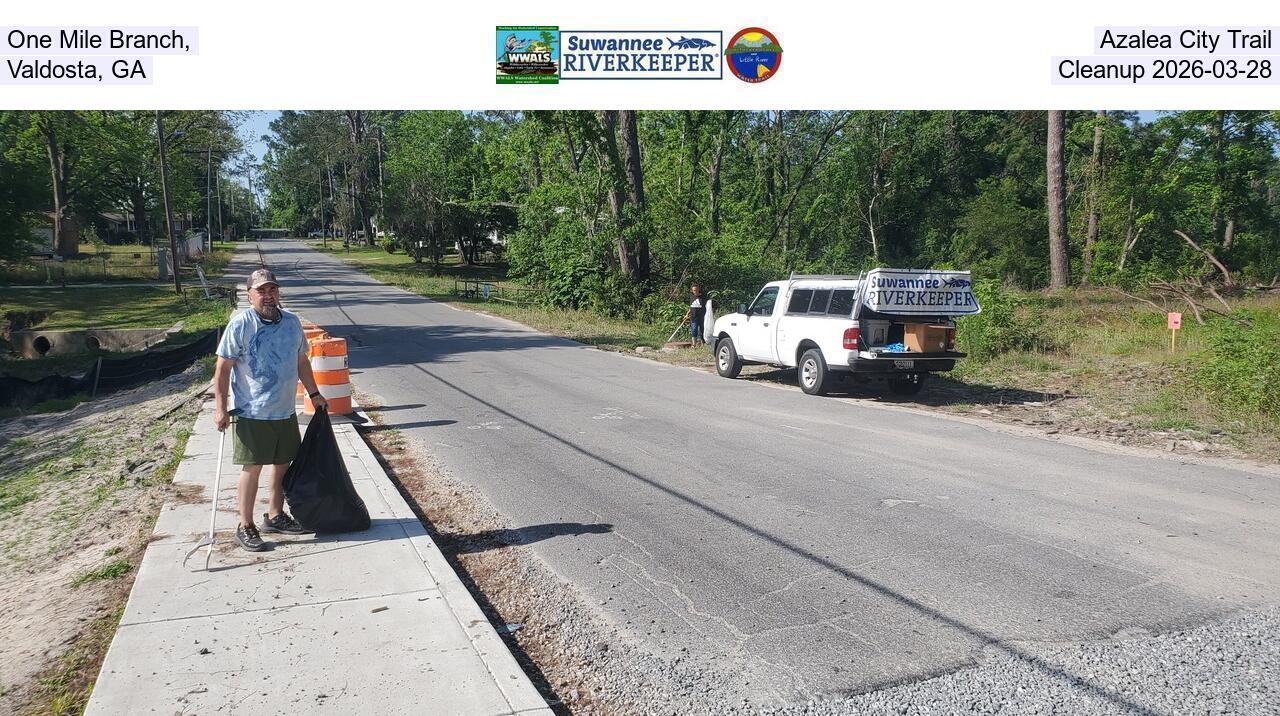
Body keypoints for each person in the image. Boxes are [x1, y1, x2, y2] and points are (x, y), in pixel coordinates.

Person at [214, 268, 328, 552]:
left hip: (284, 410)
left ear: (278, 293)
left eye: (272, 290)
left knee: (283, 463)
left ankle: (275, 516)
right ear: (249, 295)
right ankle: (245, 525)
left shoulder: (291, 323)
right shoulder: (241, 324)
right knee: (252, 468)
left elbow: (301, 362)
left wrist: (314, 394)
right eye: (261, 291)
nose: (267, 295)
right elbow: (223, 369)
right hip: (251, 412)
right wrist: (221, 408)